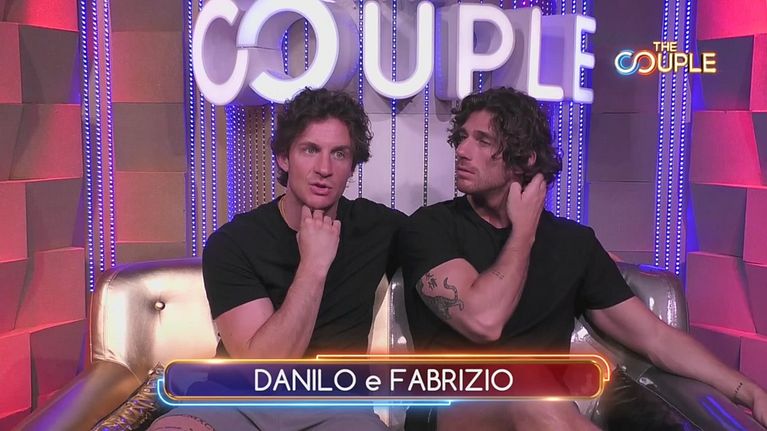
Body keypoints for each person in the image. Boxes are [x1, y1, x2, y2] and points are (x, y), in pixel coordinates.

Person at [398, 87, 767, 430]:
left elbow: (656, 338)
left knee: (540, 397)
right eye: (462, 137)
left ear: (524, 159)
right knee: (531, 392)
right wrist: (523, 234)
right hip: (450, 408)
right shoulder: (430, 228)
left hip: (547, 413)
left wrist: (748, 392)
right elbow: (484, 321)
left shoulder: (572, 243)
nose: (462, 150)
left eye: (482, 141)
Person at [150, 88, 404, 431]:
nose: (324, 168)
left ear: (352, 166)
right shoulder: (234, 242)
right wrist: (313, 265)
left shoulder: (377, 228)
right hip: (235, 400)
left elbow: (445, 249)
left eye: (339, 154)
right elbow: (265, 371)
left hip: (335, 408)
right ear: (284, 158)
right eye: (310, 150)